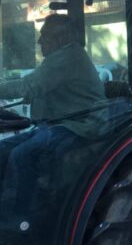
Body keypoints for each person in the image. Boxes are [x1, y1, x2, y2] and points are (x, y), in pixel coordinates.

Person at [0, 15, 106, 231]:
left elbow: (28, 86)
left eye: (44, 37)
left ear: (62, 37)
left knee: (23, 155)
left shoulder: (68, 57)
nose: (39, 42)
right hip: (55, 123)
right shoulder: (60, 57)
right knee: (3, 147)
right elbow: (42, 87)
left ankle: (21, 221)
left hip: (78, 125)